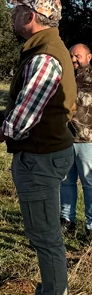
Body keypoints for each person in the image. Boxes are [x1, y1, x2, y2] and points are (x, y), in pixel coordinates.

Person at [0, 0, 76, 295]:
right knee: (46, 235)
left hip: (39, 158)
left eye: (18, 10)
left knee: (46, 238)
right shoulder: (45, 49)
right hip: (46, 153)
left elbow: (23, 119)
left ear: (31, 17)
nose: (14, 15)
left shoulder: (44, 56)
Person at [62, 43, 92, 238]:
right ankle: (66, 221)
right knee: (65, 182)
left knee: (90, 183)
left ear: (89, 58)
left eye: (78, 56)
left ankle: (91, 227)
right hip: (65, 140)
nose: (73, 59)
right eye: (71, 56)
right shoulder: (65, 78)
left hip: (88, 141)